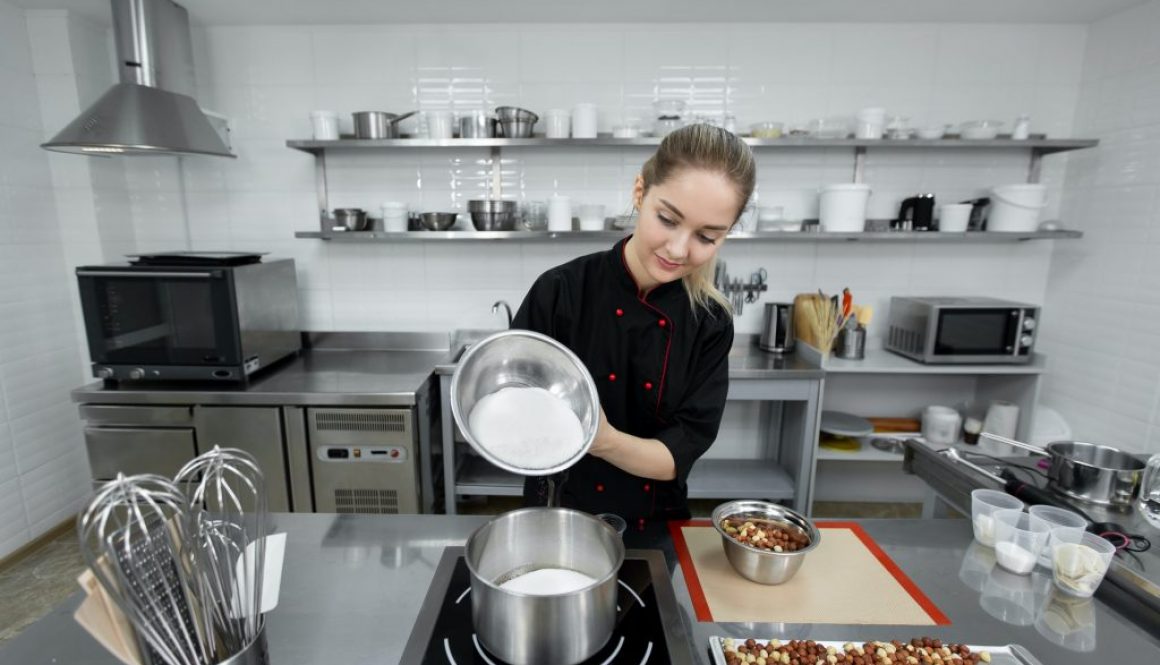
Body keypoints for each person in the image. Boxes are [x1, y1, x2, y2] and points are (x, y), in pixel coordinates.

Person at [512, 123, 755, 551]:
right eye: (668, 219)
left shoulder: (710, 322)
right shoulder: (561, 292)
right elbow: (515, 406)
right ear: (640, 192)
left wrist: (601, 440)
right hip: (557, 517)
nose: (679, 250)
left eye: (706, 236)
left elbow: (676, 456)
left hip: (655, 530)